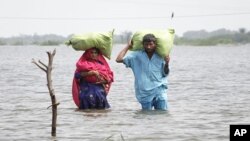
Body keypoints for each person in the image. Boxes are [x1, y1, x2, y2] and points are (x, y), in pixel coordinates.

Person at [116, 34, 170, 110]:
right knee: (145, 116)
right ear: (143, 45)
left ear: (155, 44)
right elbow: (118, 59)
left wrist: (167, 63)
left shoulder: (161, 56)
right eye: (146, 44)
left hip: (159, 90)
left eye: (151, 44)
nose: (148, 47)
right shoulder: (136, 56)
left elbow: (165, 73)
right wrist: (128, 46)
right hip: (144, 92)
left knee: (162, 115)